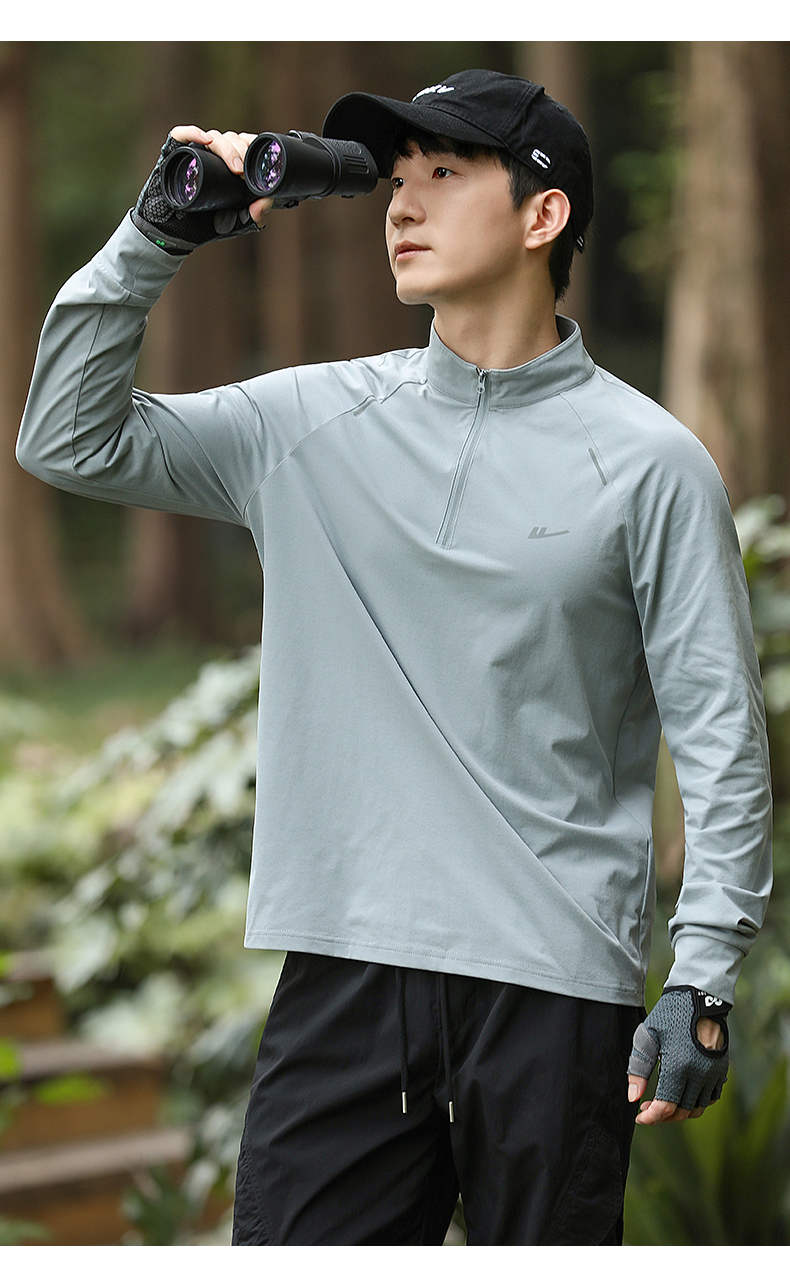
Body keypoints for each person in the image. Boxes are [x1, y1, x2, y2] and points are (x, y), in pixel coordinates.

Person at [17, 68, 772, 1246]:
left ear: (543, 214)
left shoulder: (650, 464)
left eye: (445, 174)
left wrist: (703, 975)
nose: (402, 205)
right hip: (345, 972)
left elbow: (719, 732)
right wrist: (152, 239)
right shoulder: (305, 424)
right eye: (396, 179)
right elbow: (66, 436)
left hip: (553, 985)